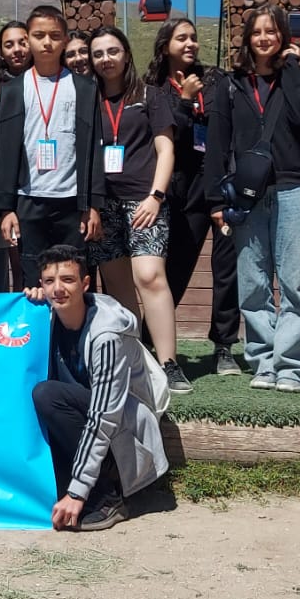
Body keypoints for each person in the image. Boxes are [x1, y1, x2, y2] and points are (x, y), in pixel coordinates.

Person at [206, 5, 300, 392]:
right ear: (247, 39)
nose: (264, 39)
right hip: (246, 194)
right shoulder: (230, 84)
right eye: (257, 32)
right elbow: (217, 142)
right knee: (253, 282)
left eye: (272, 31)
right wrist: (215, 202)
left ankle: (291, 366)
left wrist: (291, 67)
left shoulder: (294, 77)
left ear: (283, 36)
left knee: (292, 282)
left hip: (292, 187)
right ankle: (262, 361)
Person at [24, 244, 169, 533]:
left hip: (125, 428)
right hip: (86, 419)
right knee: (43, 393)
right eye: (49, 282)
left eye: (67, 280)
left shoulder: (107, 335)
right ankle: (85, 485)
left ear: (85, 283)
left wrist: (77, 492)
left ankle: (107, 497)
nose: (57, 290)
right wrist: (29, 307)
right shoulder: (46, 318)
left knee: (47, 395)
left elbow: (105, 417)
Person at [87, 27, 184, 396]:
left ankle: (169, 363)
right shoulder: (88, 97)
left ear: (126, 54)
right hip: (103, 205)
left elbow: (166, 149)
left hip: (144, 202)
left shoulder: (150, 95)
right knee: (118, 286)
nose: (106, 59)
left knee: (150, 277)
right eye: (98, 53)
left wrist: (156, 196)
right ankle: (138, 360)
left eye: (113, 51)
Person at [146, 19, 242, 376]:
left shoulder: (216, 81)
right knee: (177, 269)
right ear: (164, 45)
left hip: (218, 184)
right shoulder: (155, 88)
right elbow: (171, 137)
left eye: (193, 38)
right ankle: (149, 338)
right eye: (181, 38)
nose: (190, 44)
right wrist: (185, 101)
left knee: (226, 268)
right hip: (180, 188)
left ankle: (224, 345)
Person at [0, 6, 100, 288]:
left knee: (73, 278)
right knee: (33, 280)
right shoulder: (12, 90)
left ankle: (73, 332)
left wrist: (93, 205)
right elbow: (4, 153)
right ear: (28, 39)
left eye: (54, 35)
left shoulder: (84, 88)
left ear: (65, 40)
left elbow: (93, 152)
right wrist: (6, 208)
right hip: (29, 200)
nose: (47, 42)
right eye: (39, 35)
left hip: (73, 202)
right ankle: (38, 333)